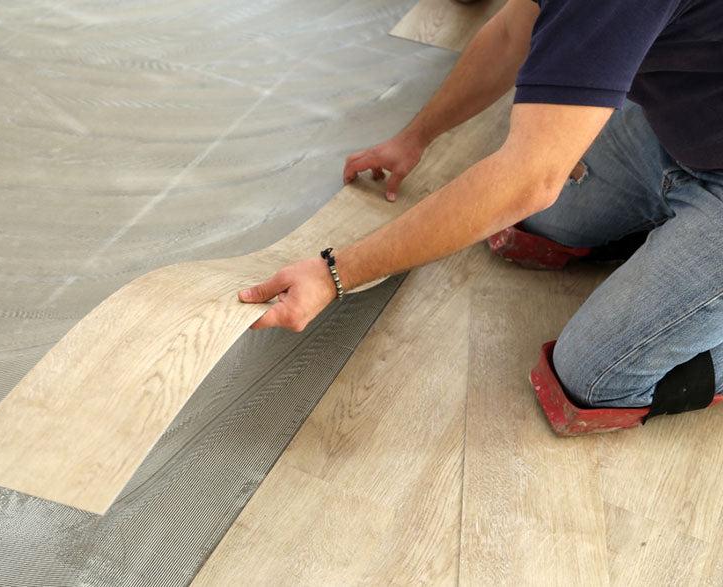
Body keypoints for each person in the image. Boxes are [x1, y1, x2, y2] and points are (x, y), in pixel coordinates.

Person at [237, 0, 723, 430]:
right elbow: (514, 31)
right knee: (542, 227)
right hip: (675, 125)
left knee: (595, 378)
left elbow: (527, 180)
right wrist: (416, 137)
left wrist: (334, 274)